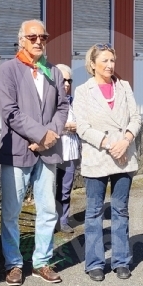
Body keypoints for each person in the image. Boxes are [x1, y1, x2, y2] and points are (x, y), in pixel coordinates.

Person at [0, 20, 70, 286]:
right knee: (12, 211)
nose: (39, 41)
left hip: (47, 150)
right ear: (22, 40)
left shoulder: (53, 72)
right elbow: (10, 111)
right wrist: (40, 134)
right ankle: (14, 263)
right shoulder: (7, 70)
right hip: (17, 150)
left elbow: (63, 107)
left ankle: (41, 261)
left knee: (48, 209)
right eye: (33, 36)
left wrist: (50, 135)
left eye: (43, 37)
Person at [74, 44, 142, 281]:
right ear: (92, 64)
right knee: (93, 211)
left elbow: (136, 118)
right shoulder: (83, 91)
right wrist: (107, 143)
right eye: (104, 61)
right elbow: (82, 127)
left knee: (120, 209)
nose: (110, 65)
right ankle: (94, 262)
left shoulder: (123, 87)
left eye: (112, 60)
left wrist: (125, 140)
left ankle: (121, 260)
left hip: (124, 157)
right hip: (98, 156)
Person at [55, 64, 80, 233]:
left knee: (66, 187)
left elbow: (83, 123)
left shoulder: (73, 102)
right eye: (63, 80)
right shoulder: (49, 101)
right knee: (50, 188)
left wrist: (72, 126)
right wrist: (68, 126)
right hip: (54, 150)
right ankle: (51, 222)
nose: (66, 84)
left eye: (69, 80)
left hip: (71, 150)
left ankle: (63, 220)